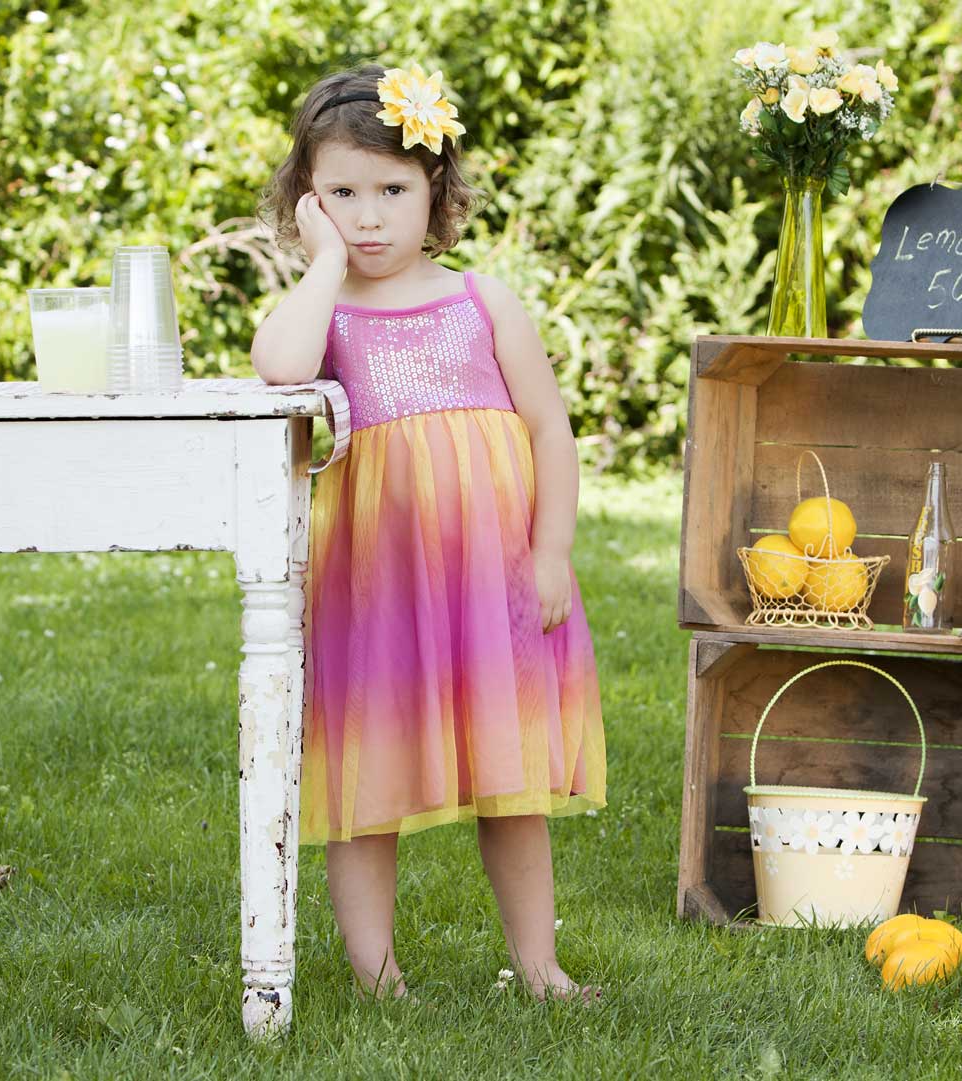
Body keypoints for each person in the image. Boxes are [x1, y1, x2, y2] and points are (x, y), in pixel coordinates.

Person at [251, 62, 606, 1004]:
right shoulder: (324, 318)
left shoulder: (483, 301)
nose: (369, 217)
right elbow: (276, 369)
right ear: (308, 205)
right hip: (379, 588)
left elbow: (548, 429)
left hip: (491, 582)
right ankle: (378, 979)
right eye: (342, 196)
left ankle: (541, 967)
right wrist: (321, 267)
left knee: (514, 781)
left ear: (437, 193)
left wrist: (553, 549)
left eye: (393, 191)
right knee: (365, 785)